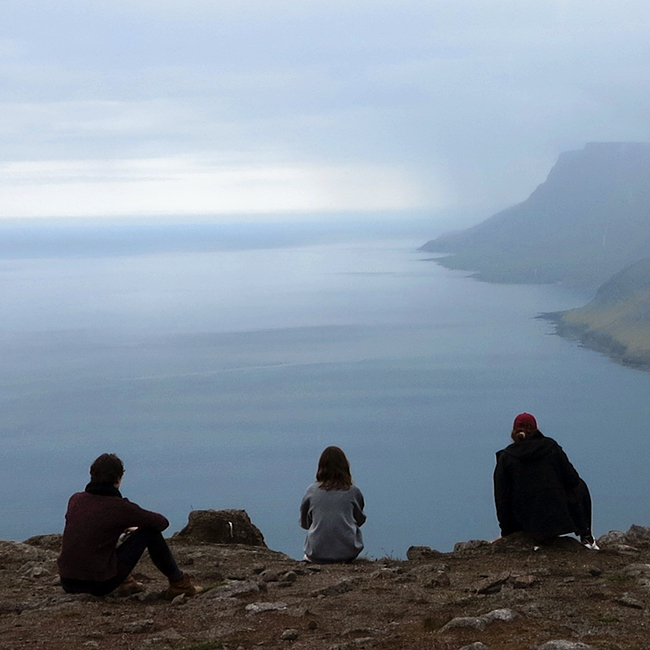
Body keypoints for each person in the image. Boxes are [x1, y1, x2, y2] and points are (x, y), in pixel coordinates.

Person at [57, 453, 202, 598]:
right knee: (150, 532)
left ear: (92, 475)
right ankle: (179, 584)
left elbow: (95, 526)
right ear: (118, 478)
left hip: (68, 582)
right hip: (98, 584)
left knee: (100, 538)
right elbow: (162, 523)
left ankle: (126, 582)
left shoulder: (76, 500)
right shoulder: (120, 507)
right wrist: (133, 526)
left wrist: (122, 525)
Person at [494, 413, 597, 549]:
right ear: (536, 430)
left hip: (523, 525)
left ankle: (523, 538)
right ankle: (586, 537)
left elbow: (501, 498)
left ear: (514, 433)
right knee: (580, 485)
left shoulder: (505, 457)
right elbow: (572, 479)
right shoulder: (551, 447)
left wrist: (507, 533)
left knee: (505, 495)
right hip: (557, 521)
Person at [299, 446, 366, 563]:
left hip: (315, 553)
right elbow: (359, 520)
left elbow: (304, 524)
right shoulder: (353, 492)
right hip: (347, 554)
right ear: (345, 467)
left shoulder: (312, 491)